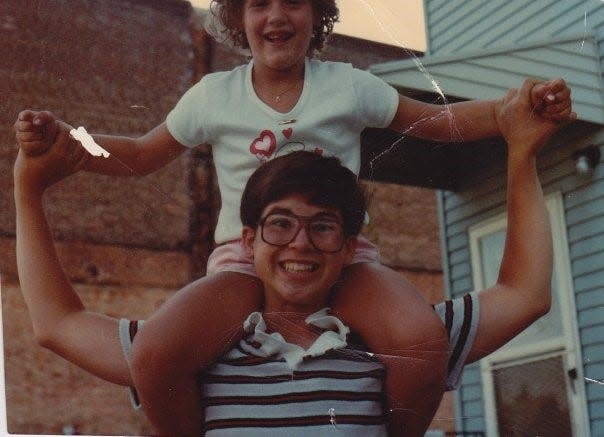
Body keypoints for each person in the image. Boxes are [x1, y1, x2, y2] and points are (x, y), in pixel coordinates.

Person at [13, 0, 575, 436]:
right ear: (239, 16)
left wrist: (506, 114)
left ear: (317, 14)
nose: (276, 16)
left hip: (344, 258)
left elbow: (435, 122)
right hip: (241, 259)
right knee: (156, 351)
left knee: (421, 341)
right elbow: (139, 155)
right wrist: (69, 144)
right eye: (260, 2)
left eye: (293, 1)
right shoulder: (215, 97)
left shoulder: (349, 87)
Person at [14, 77, 560, 435]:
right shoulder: (198, 349)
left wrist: (521, 152)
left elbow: (524, 294)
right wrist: (29, 188)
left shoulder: (390, 343)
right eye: (280, 224)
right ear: (248, 241)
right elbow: (57, 323)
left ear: (350, 247)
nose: (300, 243)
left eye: (322, 227)